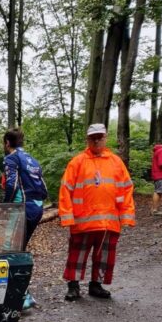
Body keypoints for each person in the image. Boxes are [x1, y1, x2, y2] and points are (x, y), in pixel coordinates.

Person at [59, 123, 135, 301]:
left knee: (105, 256)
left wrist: (126, 216)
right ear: (87, 139)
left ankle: (96, 285)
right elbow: (65, 190)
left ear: (105, 138)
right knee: (77, 254)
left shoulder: (116, 162)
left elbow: (126, 189)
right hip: (82, 221)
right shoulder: (77, 162)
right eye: (93, 137)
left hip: (109, 221)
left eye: (100, 137)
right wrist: (67, 217)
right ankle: (73, 286)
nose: (96, 140)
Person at [3, 128, 47, 246]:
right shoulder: (33, 160)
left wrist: (5, 204)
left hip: (21, 208)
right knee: (21, 244)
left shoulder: (11, 158)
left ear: (7, 142)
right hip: (37, 208)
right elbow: (43, 187)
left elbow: (12, 184)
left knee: (10, 246)